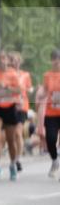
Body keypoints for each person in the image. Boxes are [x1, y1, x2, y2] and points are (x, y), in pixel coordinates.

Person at [0, 49, 22, 180]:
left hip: (10, 107)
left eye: (4, 58)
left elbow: (19, 90)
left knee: (10, 140)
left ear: (7, 61)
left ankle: (13, 164)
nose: (2, 61)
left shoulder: (13, 74)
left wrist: (7, 87)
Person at [36, 48, 60, 179]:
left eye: (59, 60)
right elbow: (45, 91)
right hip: (51, 113)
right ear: (51, 61)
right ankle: (55, 160)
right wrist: (41, 94)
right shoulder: (47, 75)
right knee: (50, 139)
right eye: (55, 60)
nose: (57, 63)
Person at [13, 52, 33, 171]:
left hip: (21, 106)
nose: (15, 62)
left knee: (17, 133)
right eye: (13, 60)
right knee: (11, 135)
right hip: (9, 106)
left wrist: (29, 89)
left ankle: (18, 158)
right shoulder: (7, 75)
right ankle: (15, 155)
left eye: (17, 60)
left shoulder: (25, 75)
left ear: (20, 62)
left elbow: (30, 88)